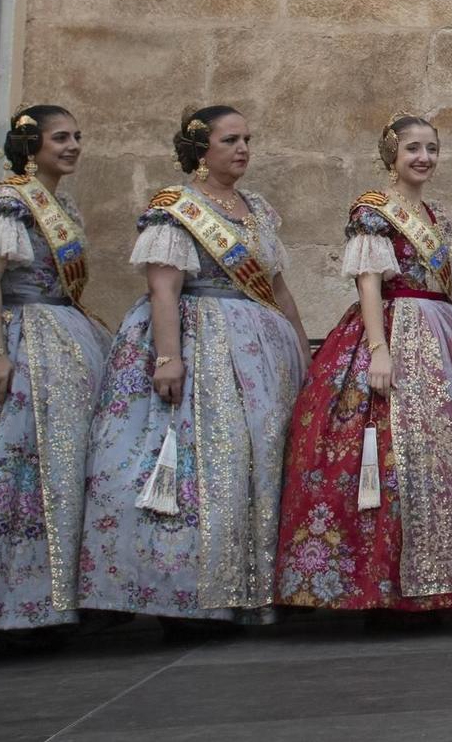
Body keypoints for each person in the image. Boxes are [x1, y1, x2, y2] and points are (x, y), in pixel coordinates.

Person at [78, 106, 310, 630]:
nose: (243, 148)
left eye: (247, 138)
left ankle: (251, 585)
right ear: (201, 149)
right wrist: (168, 357)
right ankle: (186, 593)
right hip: (199, 342)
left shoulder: (259, 209)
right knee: (201, 465)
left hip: (261, 352)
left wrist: (302, 348)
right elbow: (163, 288)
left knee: (260, 462)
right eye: (231, 140)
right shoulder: (176, 209)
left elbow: (278, 289)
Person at [275, 115, 452, 618]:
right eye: (413, 148)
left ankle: (438, 579)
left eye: (432, 148)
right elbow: (368, 282)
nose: (424, 158)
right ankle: (380, 584)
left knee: (443, 457)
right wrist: (378, 349)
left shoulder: (436, 216)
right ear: (391, 154)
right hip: (392, 327)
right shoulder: (373, 210)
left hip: (439, 331)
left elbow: (443, 284)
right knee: (386, 453)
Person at [0, 106, 110, 643]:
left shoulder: (60, 202)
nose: (73, 146)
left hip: (65, 338)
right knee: (13, 465)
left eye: (76, 136)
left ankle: (49, 600)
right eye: (60, 138)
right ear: (31, 146)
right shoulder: (7, 201)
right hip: (22, 339)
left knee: (62, 464)